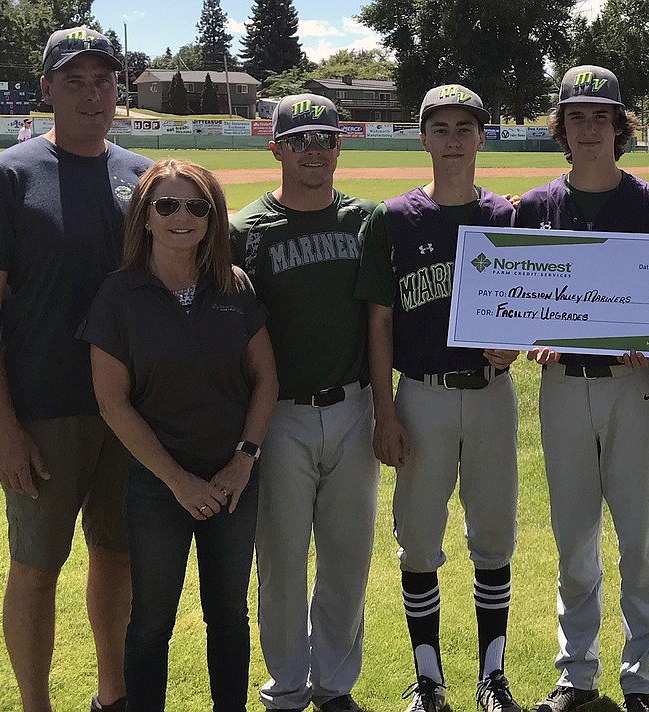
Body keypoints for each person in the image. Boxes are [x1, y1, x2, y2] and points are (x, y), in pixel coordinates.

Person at [0, 26, 152, 712]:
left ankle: (112, 696)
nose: (92, 94)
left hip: (132, 412)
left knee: (117, 557)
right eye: (74, 81)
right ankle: (34, 705)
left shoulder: (143, 177)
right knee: (35, 567)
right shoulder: (6, 176)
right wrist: (3, 427)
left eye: (104, 81)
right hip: (43, 410)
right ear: (45, 89)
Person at [80, 159, 278, 710]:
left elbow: (266, 379)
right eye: (166, 204)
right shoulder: (118, 294)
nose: (182, 217)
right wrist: (178, 481)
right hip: (157, 486)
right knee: (150, 621)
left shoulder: (233, 284)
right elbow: (111, 402)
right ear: (144, 216)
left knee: (229, 616)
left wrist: (242, 462)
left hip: (233, 480)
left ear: (213, 219)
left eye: (197, 206)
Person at [356, 83, 522, 712]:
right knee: (419, 537)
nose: (453, 140)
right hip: (420, 394)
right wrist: (384, 410)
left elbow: (536, 301)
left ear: (482, 137)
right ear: (422, 137)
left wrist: (517, 342)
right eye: (441, 128)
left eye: (465, 128)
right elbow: (378, 323)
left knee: (494, 534)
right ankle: (428, 680)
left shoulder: (508, 217)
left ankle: (492, 677)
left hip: (490, 396)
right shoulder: (394, 219)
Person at [518, 64, 649, 712]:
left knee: (639, 540)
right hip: (563, 388)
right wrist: (532, 340)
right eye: (576, 116)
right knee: (574, 536)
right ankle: (576, 675)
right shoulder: (535, 207)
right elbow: (520, 306)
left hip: (630, 387)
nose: (589, 127)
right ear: (562, 127)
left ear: (619, 125)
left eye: (600, 115)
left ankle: (640, 679)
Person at [230, 93, 378, 712]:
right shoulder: (244, 231)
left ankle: (334, 684)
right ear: (276, 148)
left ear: (339, 146)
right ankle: (287, 683)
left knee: (346, 554)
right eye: (299, 140)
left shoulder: (366, 220)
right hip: (280, 413)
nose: (313, 150)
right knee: (283, 558)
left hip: (354, 405)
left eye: (324, 138)